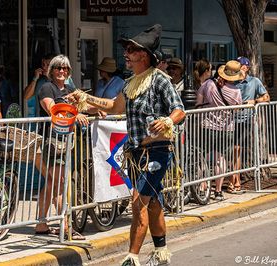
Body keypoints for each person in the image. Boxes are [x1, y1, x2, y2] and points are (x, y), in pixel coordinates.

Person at [67, 24, 185, 266]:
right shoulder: (131, 83)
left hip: (157, 151)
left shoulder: (160, 81)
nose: (126, 55)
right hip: (136, 153)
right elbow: (113, 107)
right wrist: (84, 97)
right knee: (152, 202)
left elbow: (179, 110)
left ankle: (131, 258)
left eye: (130, 50)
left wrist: (166, 121)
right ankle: (161, 254)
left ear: (144, 55)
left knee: (138, 201)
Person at [35, 54, 88, 240]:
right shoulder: (46, 88)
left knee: (51, 183)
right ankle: (66, 226)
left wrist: (100, 110)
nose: (62, 71)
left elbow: (84, 105)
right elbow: (52, 110)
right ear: (52, 70)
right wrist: (75, 115)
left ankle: (41, 224)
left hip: (67, 141)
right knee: (59, 183)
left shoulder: (70, 88)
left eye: (65, 68)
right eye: (58, 68)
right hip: (53, 141)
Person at [196, 60, 243, 200]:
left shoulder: (208, 84)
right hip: (227, 128)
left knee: (201, 157)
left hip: (207, 126)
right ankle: (218, 191)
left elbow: (198, 103)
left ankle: (202, 186)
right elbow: (239, 108)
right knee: (220, 159)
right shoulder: (236, 91)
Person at [230, 56, 270, 193]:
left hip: (245, 119)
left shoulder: (254, 81)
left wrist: (254, 101)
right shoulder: (231, 81)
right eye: (238, 65)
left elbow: (267, 97)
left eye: (242, 65)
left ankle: (235, 180)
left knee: (236, 148)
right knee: (232, 150)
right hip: (229, 119)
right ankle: (234, 179)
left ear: (246, 67)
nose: (240, 67)